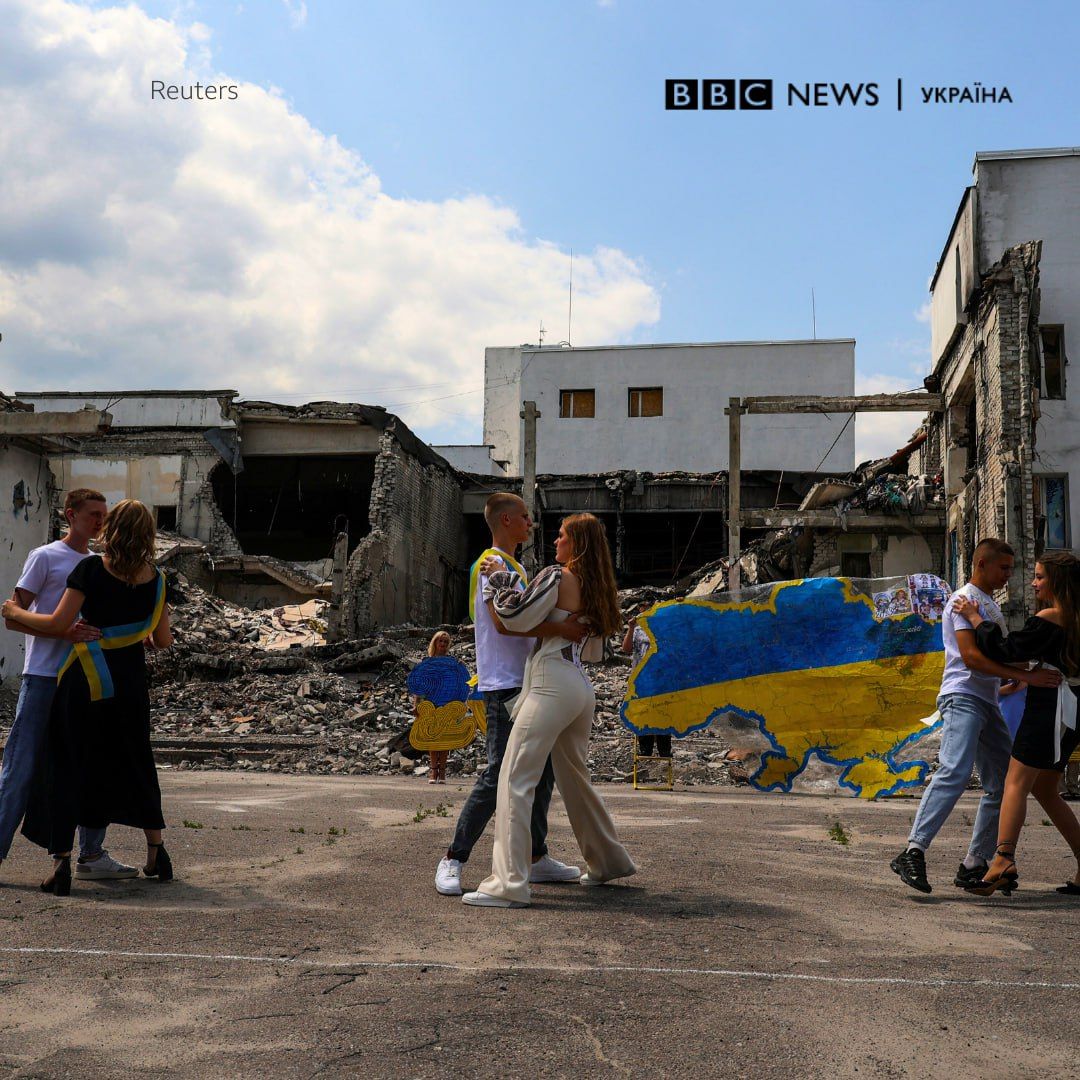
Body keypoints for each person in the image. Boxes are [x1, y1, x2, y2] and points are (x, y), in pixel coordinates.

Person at [463, 512, 637, 908]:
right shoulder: (596, 586)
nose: (555, 541)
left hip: (550, 680)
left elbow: (513, 617)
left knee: (514, 778)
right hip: (579, 685)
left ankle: (508, 885)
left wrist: (499, 579)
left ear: (577, 543)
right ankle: (608, 862)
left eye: (561, 536)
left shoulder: (557, 576)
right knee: (575, 780)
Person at [2, 500, 174, 895]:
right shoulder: (157, 579)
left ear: (112, 528)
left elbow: (59, 623)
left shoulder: (91, 570)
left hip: (87, 681)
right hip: (130, 686)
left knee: (68, 765)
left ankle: (62, 862)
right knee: (135, 762)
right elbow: (163, 640)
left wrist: (14, 612)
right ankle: (156, 852)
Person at [889, 539, 1063, 894]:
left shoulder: (989, 608)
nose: (1009, 575)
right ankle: (912, 851)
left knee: (1003, 782)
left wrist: (1030, 666)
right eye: (1004, 568)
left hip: (987, 701)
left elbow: (1001, 653)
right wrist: (1026, 676)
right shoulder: (962, 600)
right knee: (954, 771)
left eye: (1011, 569)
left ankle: (974, 863)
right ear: (982, 563)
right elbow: (971, 657)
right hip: (963, 696)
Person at [435, 492, 585, 897]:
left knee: (542, 771)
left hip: (531, 679)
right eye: (524, 517)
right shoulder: (490, 565)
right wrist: (563, 629)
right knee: (499, 771)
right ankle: (453, 857)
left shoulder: (514, 567)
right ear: (505, 520)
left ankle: (535, 857)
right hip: (504, 682)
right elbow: (505, 624)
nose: (530, 523)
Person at [953, 551, 1080, 895]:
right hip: (1071, 712)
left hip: (1049, 709)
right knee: (1045, 789)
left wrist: (975, 617)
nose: (1034, 583)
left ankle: (1002, 859)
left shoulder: (1051, 618)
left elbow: (1004, 649)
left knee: (1014, 782)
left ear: (1057, 582)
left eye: (1040, 576)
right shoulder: (1075, 619)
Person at [621, 616, 671, 760]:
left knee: (663, 715)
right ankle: (645, 751)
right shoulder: (637, 630)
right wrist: (630, 628)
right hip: (641, 681)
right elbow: (626, 649)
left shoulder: (665, 628)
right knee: (643, 714)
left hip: (662, 681)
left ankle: (664, 753)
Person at [424, 631, 452, 784]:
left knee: (444, 738)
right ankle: (433, 770)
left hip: (447, 701)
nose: (442, 644)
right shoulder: (428, 662)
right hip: (431, 702)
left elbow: (457, 681)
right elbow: (421, 684)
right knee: (432, 737)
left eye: (445, 642)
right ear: (435, 642)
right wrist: (416, 704)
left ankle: (442, 772)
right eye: (440, 641)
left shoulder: (452, 662)